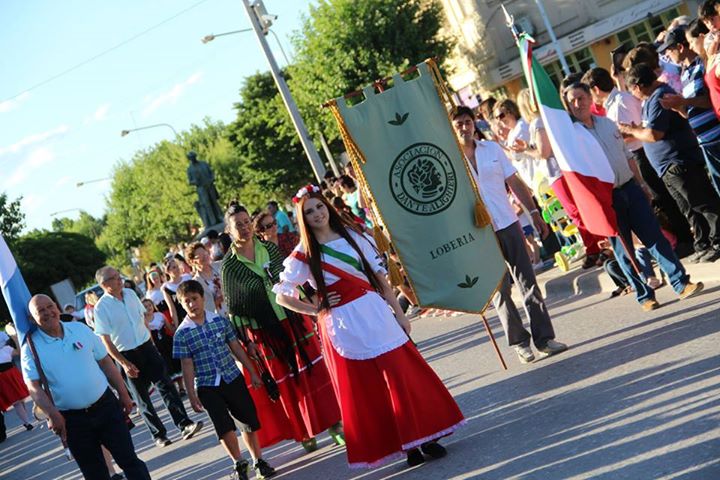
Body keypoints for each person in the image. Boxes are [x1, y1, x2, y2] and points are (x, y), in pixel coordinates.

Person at [274, 188, 464, 469]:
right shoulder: (303, 255)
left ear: (327, 206)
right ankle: (404, 445)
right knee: (371, 389)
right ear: (303, 219)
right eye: (309, 212)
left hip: (374, 312)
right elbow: (282, 295)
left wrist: (400, 314)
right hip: (342, 324)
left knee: (403, 376)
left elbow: (380, 279)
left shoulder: (355, 237)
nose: (317, 214)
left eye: (319, 207)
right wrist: (317, 309)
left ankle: (424, 437)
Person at [565, 82, 703, 311]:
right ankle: (644, 295)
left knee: (654, 237)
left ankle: (680, 282)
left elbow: (627, 156)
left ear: (590, 98)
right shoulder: (572, 137)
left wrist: (641, 184)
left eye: (580, 98)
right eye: (571, 101)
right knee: (624, 249)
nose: (577, 104)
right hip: (605, 198)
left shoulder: (608, 124)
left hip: (629, 187)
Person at [222, 202, 343, 453]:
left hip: (292, 318)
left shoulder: (269, 249)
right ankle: (304, 433)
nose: (244, 228)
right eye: (238, 225)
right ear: (228, 230)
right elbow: (235, 308)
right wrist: (248, 341)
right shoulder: (229, 266)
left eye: (247, 223)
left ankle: (335, 424)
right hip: (264, 331)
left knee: (314, 370)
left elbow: (292, 282)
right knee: (288, 382)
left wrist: (312, 306)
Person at [452, 105, 567, 364]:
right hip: (478, 233)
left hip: (507, 222)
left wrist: (534, 212)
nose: (464, 127)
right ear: (452, 128)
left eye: (467, 121)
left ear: (474, 124)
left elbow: (514, 182)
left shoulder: (491, 149)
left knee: (528, 282)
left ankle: (544, 338)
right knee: (500, 290)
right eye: (458, 123)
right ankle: (519, 342)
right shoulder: (450, 161)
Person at [23, 294, 151, 480]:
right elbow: (33, 387)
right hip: (72, 421)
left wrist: (124, 393)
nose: (48, 312)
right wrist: (52, 413)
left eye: (50, 306)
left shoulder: (80, 329)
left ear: (57, 307)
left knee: (130, 461)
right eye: (40, 311)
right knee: (95, 474)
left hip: (106, 406)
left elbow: (105, 362)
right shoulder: (31, 347)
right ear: (31, 319)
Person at [582, 66, 694, 256]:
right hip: (637, 155)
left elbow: (638, 128)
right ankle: (681, 237)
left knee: (663, 198)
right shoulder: (615, 103)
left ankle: (684, 238)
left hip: (641, 153)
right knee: (662, 199)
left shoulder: (621, 101)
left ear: (595, 89)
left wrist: (617, 137)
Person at [173, 280, 275, 480]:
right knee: (224, 426)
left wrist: (252, 372)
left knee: (247, 421)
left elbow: (236, 348)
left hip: (232, 376)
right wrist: (191, 394)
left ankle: (258, 461)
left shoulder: (220, 321)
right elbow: (187, 365)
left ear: (203, 298)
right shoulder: (182, 334)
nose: (192, 304)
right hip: (207, 385)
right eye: (187, 302)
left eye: (195, 299)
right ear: (182, 305)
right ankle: (238, 462)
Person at [93, 266, 202, 447]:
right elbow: (105, 340)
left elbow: (142, 320)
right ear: (104, 284)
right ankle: (158, 434)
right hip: (125, 354)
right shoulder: (101, 308)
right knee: (142, 398)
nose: (120, 279)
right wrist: (124, 362)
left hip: (146, 347)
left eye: (119, 275)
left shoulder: (129, 294)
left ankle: (184, 424)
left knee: (166, 385)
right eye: (114, 278)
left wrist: (151, 344)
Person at [620, 63, 720, 262]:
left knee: (702, 202)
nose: (633, 94)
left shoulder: (660, 97)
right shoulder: (650, 100)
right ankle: (703, 243)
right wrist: (636, 128)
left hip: (679, 161)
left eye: (631, 89)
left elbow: (655, 134)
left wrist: (632, 131)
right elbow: (649, 128)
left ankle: (717, 240)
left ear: (638, 86)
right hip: (667, 166)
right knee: (688, 207)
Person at [515, 87, 606, 268]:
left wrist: (525, 150)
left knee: (575, 212)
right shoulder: (550, 118)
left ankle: (594, 248)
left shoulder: (538, 122)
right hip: (564, 168)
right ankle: (597, 245)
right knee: (578, 211)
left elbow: (543, 152)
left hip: (557, 172)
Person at [659, 23, 720, 198]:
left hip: (716, 137)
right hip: (705, 142)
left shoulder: (702, 65)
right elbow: (691, 112)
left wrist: (684, 100)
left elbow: (712, 101)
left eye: (669, 50)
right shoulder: (685, 73)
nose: (667, 55)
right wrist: (679, 107)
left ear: (680, 47)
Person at [0, 332, 33, 431]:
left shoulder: (6, 349)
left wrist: (15, 337)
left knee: (20, 399)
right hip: (3, 378)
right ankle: (27, 422)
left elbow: (19, 352)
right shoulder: (6, 349)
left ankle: (26, 420)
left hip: (12, 374)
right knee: (16, 402)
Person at [185, 242, 225, 314]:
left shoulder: (221, 265)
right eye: (199, 255)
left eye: (205, 253)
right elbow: (202, 308)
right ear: (192, 262)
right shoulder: (195, 283)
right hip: (219, 317)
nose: (204, 256)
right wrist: (219, 299)